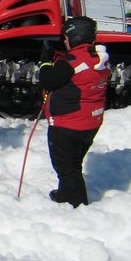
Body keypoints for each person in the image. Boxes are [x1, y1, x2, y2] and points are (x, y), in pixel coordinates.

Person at [39, 16, 110, 207]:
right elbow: (77, 72)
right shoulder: (99, 58)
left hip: (68, 123)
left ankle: (76, 205)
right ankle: (65, 192)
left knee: (66, 166)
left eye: (66, 37)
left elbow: (48, 80)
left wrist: (45, 61)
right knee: (73, 162)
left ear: (75, 36)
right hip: (89, 122)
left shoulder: (70, 64)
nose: (65, 41)